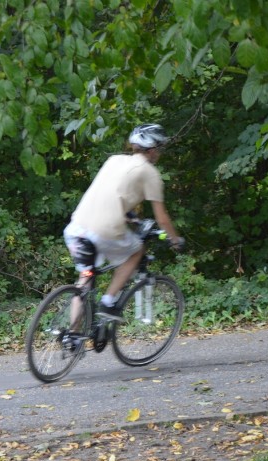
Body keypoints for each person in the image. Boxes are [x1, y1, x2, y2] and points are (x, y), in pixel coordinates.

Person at [63, 123, 184, 322]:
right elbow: (162, 218)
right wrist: (175, 239)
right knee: (136, 252)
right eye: (160, 148)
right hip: (103, 232)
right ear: (153, 150)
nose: (160, 153)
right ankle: (108, 302)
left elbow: (110, 194)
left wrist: (129, 216)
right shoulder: (150, 172)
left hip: (76, 228)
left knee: (85, 279)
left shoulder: (114, 160)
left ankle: (72, 338)